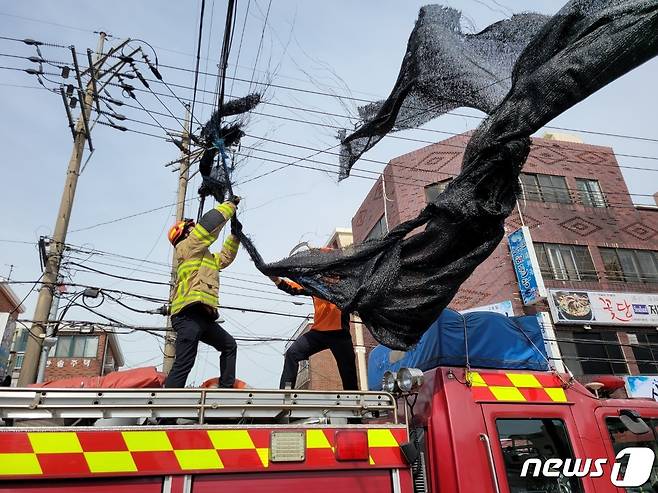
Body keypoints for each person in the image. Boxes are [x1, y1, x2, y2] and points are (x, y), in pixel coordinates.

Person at [164, 197, 241, 388]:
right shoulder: (187, 247)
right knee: (184, 362)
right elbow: (209, 225)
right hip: (187, 315)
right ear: (184, 234)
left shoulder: (203, 257)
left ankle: (225, 390)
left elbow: (224, 258)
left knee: (229, 346)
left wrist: (235, 235)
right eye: (191, 228)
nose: (195, 228)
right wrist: (230, 205)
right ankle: (164, 412)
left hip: (201, 316)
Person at [271, 273, 358, 390]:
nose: (329, 278)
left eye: (333, 276)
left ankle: (353, 399)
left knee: (348, 369)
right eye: (326, 275)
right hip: (319, 332)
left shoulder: (346, 287)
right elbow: (293, 288)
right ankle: (285, 392)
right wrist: (275, 278)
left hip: (340, 333)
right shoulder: (315, 286)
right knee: (292, 353)